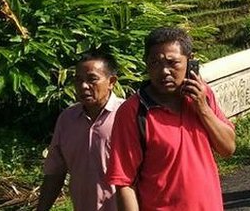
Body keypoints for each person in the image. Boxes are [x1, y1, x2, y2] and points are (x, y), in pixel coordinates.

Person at [106, 28, 236, 211]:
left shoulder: (202, 96)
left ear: (190, 61)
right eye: (155, 63)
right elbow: (124, 182)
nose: (164, 71)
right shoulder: (133, 112)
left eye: (172, 62)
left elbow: (228, 148)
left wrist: (202, 108)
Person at [38, 52, 124, 211]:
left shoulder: (127, 116)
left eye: (92, 79)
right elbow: (55, 173)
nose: (83, 86)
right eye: (78, 80)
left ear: (111, 82)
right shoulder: (67, 119)